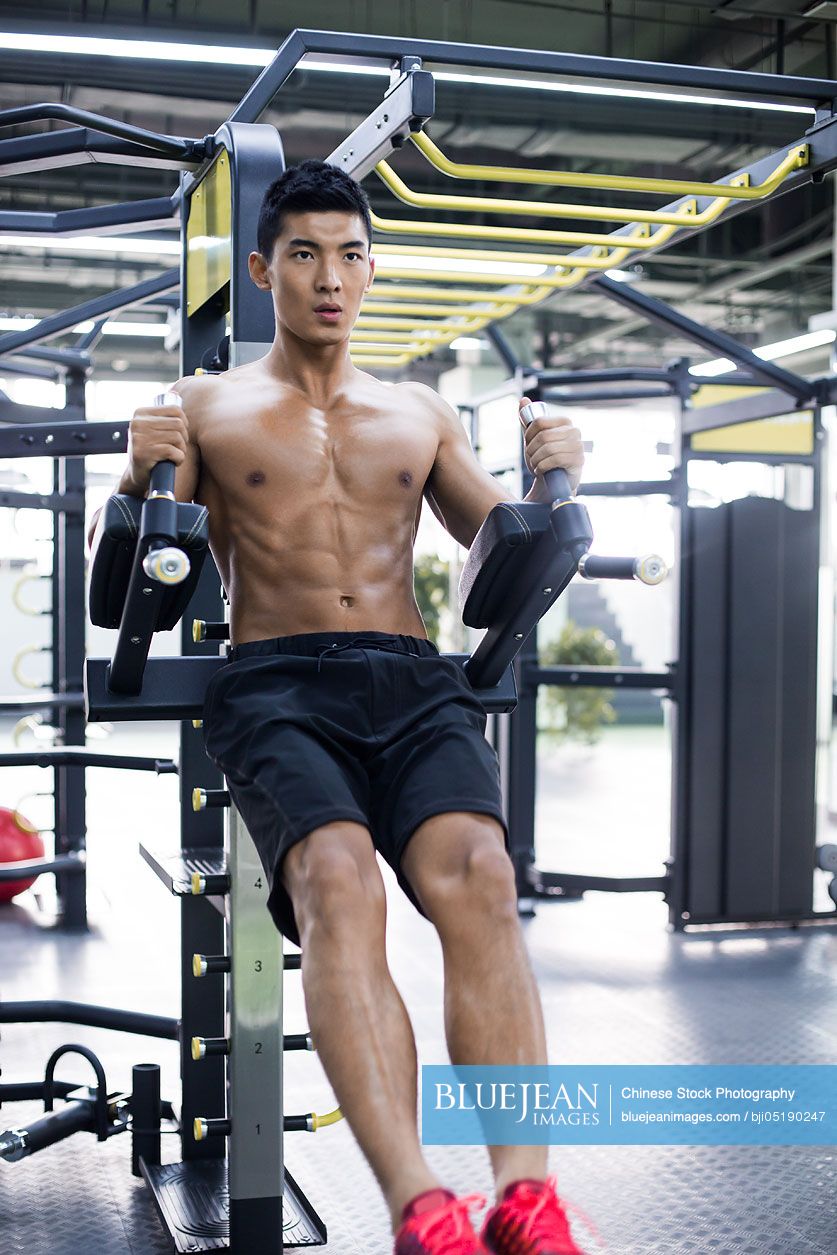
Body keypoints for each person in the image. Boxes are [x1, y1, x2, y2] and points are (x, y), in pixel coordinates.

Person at [92, 161, 587, 1255]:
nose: (332, 277)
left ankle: (527, 1199)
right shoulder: (206, 407)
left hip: (410, 676)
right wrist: (133, 486)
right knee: (335, 881)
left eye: (352, 254)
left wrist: (557, 481)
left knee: (485, 877)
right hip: (275, 683)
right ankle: (424, 1206)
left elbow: (499, 557)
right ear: (264, 269)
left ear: (372, 269)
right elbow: (121, 586)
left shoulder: (418, 410)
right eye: (307, 254)